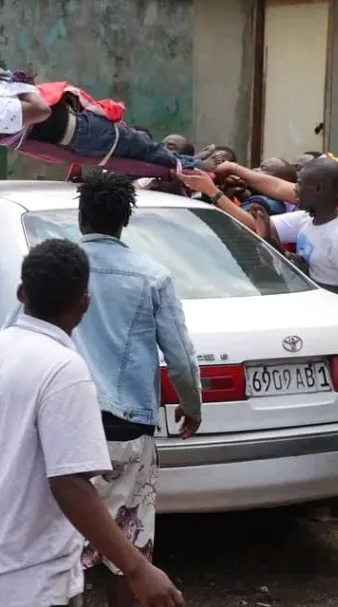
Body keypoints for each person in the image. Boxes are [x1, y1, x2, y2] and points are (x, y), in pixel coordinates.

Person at [0, 239, 185, 607]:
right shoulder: (65, 370)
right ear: (84, 304)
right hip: (35, 571)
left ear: (20, 293)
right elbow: (70, 484)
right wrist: (137, 568)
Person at [71, 172, 202, 607]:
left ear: (81, 215)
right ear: (124, 221)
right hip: (127, 429)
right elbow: (180, 356)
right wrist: (191, 405)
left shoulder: (59, 267)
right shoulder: (153, 276)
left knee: (64, 548)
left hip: (66, 424)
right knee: (126, 548)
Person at [0, 42, 204, 172]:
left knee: (143, 145)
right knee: (143, 147)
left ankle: (195, 163)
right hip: (81, 133)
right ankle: (199, 168)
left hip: (80, 125)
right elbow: (41, 111)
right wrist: (19, 82)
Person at [211, 157, 338, 302]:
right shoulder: (305, 218)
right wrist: (269, 236)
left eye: (300, 185)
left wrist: (311, 283)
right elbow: (260, 226)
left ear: (319, 188)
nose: (295, 190)